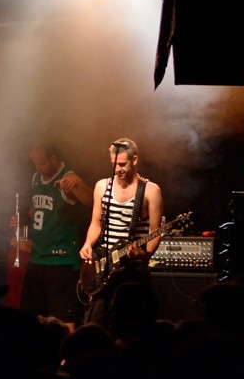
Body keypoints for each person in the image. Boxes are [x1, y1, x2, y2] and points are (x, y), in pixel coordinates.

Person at [78, 138, 163, 328]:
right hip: (106, 265)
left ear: (134, 160)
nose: (118, 169)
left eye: (123, 164)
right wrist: (87, 244)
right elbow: (96, 224)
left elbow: (155, 232)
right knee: (94, 324)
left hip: (133, 267)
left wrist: (145, 254)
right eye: (114, 164)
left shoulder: (151, 190)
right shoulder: (102, 186)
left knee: (134, 325)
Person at [11, 140, 92, 323]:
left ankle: (66, 350)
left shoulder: (69, 177)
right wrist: (22, 219)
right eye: (35, 163)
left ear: (54, 159)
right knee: (32, 317)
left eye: (42, 163)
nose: (38, 167)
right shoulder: (35, 179)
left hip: (60, 260)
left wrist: (76, 188)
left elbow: (94, 203)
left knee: (63, 319)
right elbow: (38, 210)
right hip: (37, 257)